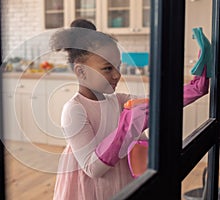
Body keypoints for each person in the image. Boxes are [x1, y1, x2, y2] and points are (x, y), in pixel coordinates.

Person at [50, 19, 210, 200]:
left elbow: (158, 104)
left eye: (118, 66)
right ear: (81, 72)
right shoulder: (74, 110)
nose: (117, 74)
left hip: (121, 177)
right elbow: (92, 169)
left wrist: (195, 88)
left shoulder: (118, 100)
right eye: (107, 68)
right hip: (90, 189)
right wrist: (125, 129)